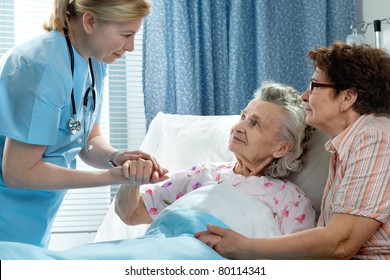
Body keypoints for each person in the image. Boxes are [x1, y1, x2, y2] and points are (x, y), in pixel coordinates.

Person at [196, 42, 390, 260]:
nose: (304, 96)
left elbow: (341, 244)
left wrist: (245, 247)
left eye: (315, 85)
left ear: (347, 97)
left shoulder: (375, 139)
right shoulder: (346, 146)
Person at [0, 0, 168, 248]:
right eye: (126, 35)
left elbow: (86, 140)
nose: (131, 47)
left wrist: (117, 157)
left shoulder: (94, 60)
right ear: (90, 21)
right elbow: (18, 172)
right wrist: (112, 177)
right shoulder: (42, 66)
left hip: (35, 219)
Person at [115, 81, 317, 236]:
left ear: (281, 147)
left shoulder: (291, 201)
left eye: (255, 124)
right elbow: (131, 214)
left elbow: (298, 265)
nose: (239, 127)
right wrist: (131, 178)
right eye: (243, 117)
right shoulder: (203, 174)